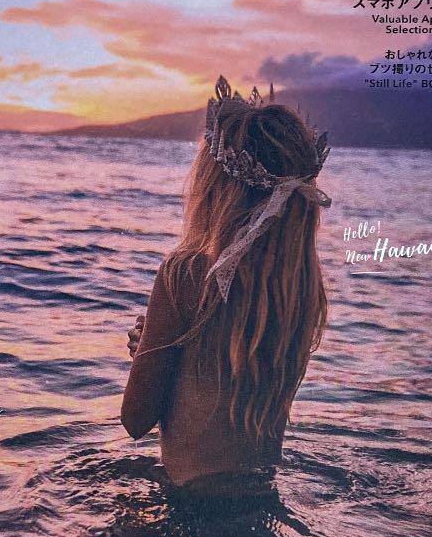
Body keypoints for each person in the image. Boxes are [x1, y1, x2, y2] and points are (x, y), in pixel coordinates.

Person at [120, 75, 330, 494]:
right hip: (260, 496)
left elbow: (136, 420)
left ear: (215, 188)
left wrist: (146, 355)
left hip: (191, 501)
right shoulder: (300, 291)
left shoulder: (185, 274)